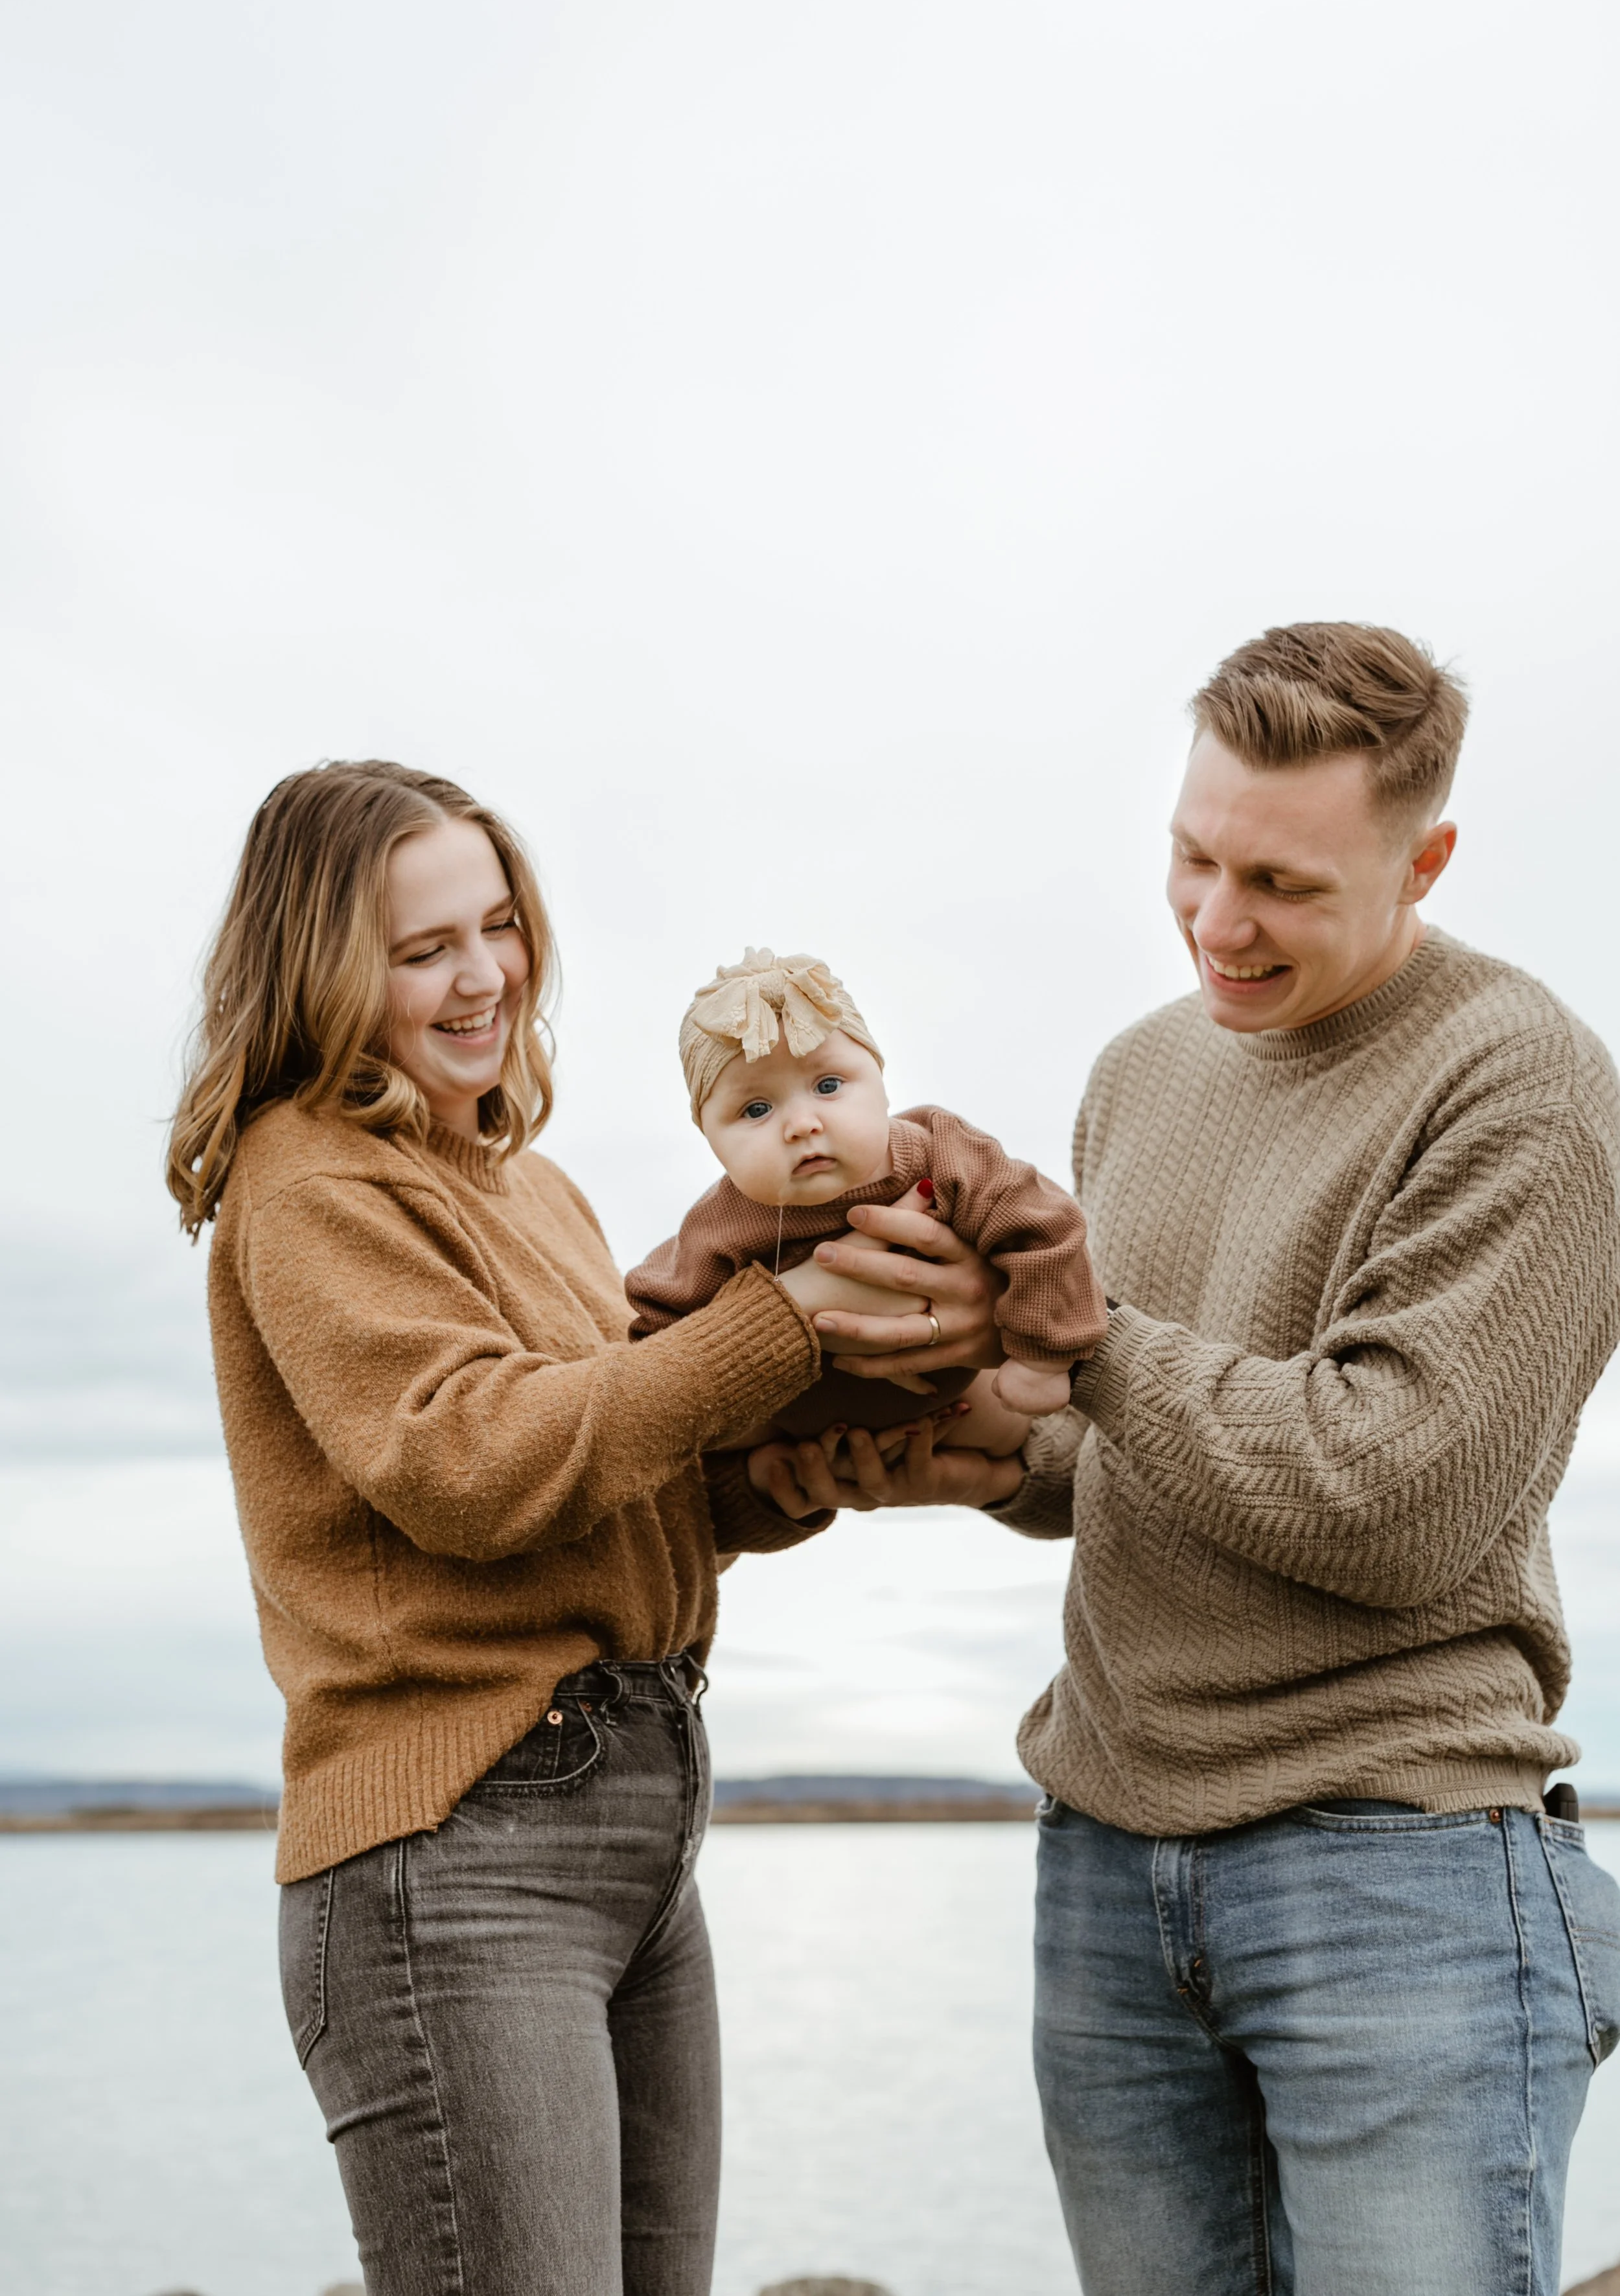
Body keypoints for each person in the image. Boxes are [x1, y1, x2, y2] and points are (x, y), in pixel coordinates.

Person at [754, 623, 1620, 2296]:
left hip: (1400, 1871)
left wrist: (1084, 1339)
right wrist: (932, 1437)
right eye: (1191, 855)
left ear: (1422, 856)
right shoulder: (1136, 1072)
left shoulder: (1527, 1088)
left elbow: (1394, 1497)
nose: (1217, 922)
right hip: (1105, 1862)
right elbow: (1114, 1448)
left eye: (1283, 884)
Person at [164, 758, 1003, 2296]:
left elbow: (620, 1485)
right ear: (321, 964)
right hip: (457, 1846)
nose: (484, 974)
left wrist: (817, 1477)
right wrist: (787, 1316)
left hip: (637, 1815)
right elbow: (473, 1462)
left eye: (499, 923)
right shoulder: (307, 1176)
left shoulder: (534, 1188)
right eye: (425, 948)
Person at [625, 945, 1107, 1427]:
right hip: (794, 1438)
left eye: (829, 1085)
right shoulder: (719, 1225)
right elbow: (659, 1341)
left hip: (957, 1414)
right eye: (756, 1110)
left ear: (880, 1080)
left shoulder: (943, 1156)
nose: (802, 1124)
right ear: (709, 1137)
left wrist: (1042, 1354)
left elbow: (1045, 1229)